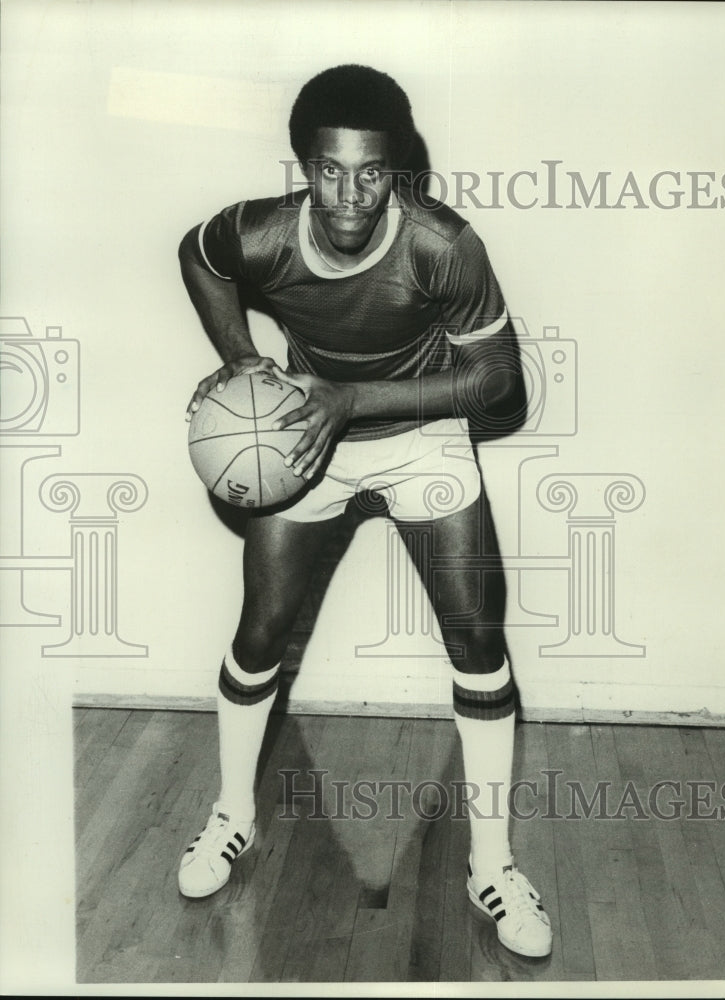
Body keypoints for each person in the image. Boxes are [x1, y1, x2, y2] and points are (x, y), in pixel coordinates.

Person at [177, 64, 552, 960]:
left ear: (400, 172)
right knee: (261, 628)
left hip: (420, 431)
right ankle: (232, 814)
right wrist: (240, 361)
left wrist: (354, 399)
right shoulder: (261, 232)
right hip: (306, 433)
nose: (351, 194)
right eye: (331, 170)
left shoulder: (441, 245)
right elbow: (197, 255)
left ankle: (492, 864)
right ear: (303, 165)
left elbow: (503, 387)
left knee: (477, 641)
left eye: (372, 172)